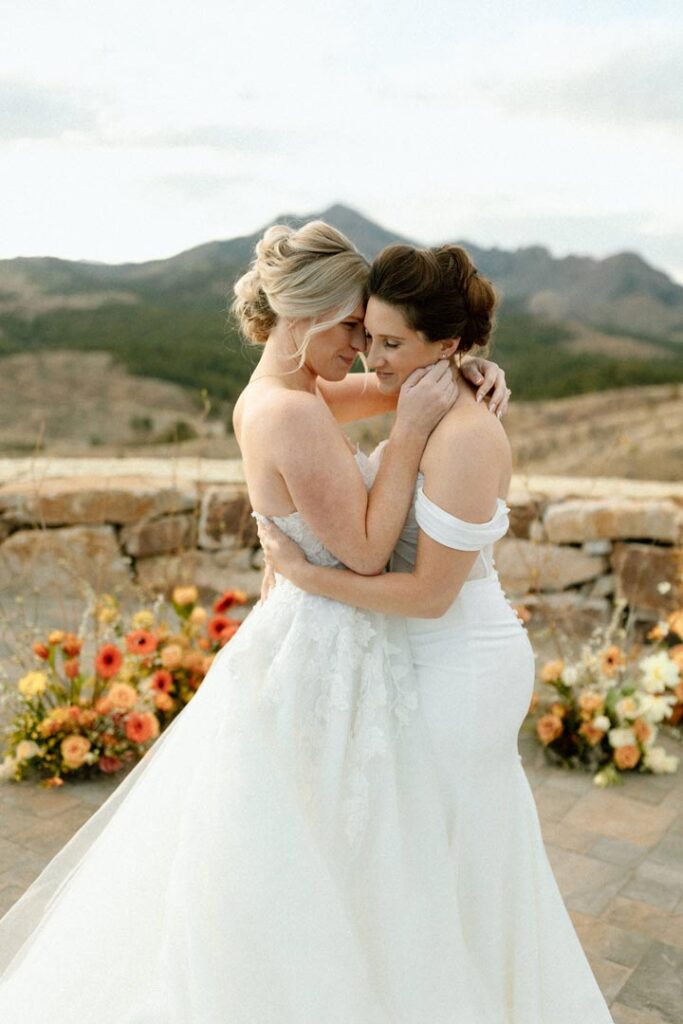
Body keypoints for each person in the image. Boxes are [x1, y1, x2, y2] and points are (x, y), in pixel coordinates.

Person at [0, 220, 509, 1023]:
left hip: (315, 632)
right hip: (324, 642)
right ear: (304, 321)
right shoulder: (294, 416)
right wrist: (410, 436)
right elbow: (372, 554)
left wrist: (463, 365)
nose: (361, 348)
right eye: (352, 328)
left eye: (374, 333)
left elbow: (396, 384)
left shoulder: (285, 393)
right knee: (323, 844)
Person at [257, 242, 615, 1023]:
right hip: (416, 655)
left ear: (444, 346)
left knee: (461, 855)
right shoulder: (413, 397)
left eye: (389, 344)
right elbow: (360, 401)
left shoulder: (461, 435)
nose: (369, 360)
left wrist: (304, 574)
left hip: (458, 660)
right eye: (366, 336)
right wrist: (444, 384)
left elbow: (425, 596)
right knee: (422, 858)